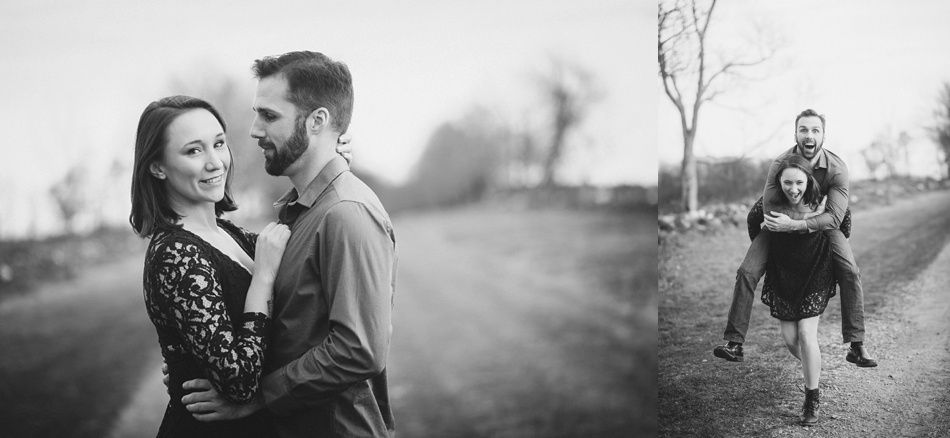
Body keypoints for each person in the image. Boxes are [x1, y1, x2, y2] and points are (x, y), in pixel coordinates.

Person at [178, 51, 398, 437]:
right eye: (256, 113)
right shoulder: (301, 211)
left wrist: (259, 397)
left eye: (269, 115)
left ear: (317, 122)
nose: (254, 130)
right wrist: (196, 357)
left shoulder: (346, 215)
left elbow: (359, 349)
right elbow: (290, 323)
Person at [130, 95, 291, 437]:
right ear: (157, 166)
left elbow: (291, 249)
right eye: (193, 150)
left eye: (218, 144)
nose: (215, 162)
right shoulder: (175, 254)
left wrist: (330, 164)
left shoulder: (227, 232)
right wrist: (262, 278)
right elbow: (240, 382)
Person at [713, 109, 877, 368]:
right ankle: (734, 343)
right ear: (796, 133)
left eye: (815, 130)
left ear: (823, 134)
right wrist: (802, 218)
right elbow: (769, 210)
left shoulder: (836, 169)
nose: (809, 135)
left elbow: (834, 218)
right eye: (804, 130)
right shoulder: (780, 164)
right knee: (746, 271)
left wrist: (800, 222)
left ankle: (856, 344)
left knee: (850, 270)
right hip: (779, 224)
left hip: (824, 227)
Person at [759, 155, 836, 425]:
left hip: (816, 269)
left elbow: (843, 222)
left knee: (805, 333)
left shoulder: (821, 198)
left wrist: (815, 221)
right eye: (788, 182)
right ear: (779, 182)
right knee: (792, 340)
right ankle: (814, 367)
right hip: (784, 273)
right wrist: (766, 227)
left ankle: (811, 399)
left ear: (808, 180)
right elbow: (752, 225)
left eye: (799, 182)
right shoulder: (770, 203)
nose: (794, 188)